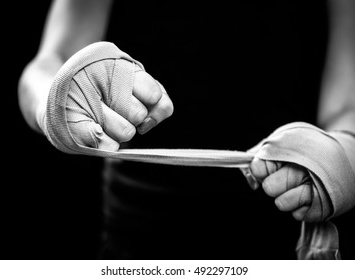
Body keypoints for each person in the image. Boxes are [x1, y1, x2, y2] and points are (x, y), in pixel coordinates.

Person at [18, 0, 355, 259]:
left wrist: (344, 151)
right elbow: (48, 62)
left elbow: (347, 106)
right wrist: (54, 101)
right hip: (135, 236)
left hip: (283, 232)